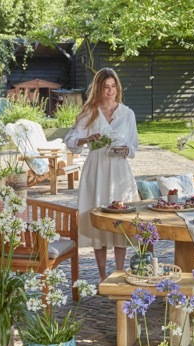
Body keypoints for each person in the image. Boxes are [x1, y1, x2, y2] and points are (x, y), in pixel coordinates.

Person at [64, 68, 140, 282]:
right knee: (99, 221)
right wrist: (85, 140)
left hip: (119, 172)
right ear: (99, 88)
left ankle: (118, 272)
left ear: (118, 87)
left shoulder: (127, 114)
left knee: (120, 221)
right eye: (106, 87)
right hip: (96, 171)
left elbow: (133, 146)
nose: (110, 91)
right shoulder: (90, 112)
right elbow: (71, 140)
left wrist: (126, 150)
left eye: (113, 86)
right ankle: (102, 275)